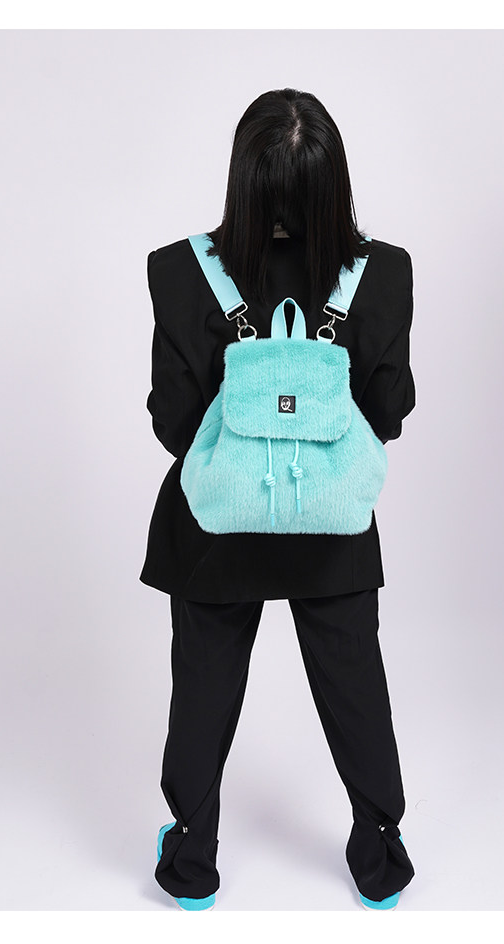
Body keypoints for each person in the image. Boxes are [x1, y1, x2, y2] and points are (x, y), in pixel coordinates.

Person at [140, 88, 416, 911]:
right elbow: (388, 412)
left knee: (204, 686)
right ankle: (380, 855)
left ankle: (191, 861)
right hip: (331, 526)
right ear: (334, 179)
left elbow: (173, 421)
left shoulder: (177, 270)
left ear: (242, 176)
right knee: (353, 682)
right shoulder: (384, 273)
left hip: (214, 529)